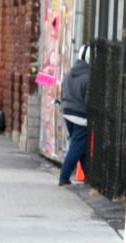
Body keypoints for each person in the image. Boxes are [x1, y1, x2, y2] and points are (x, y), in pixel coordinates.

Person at [59, 44, 90, 186]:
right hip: (81, 117)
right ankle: (64, 177)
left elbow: (62, 93)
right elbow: (89, 101)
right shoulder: (88, 77)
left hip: (68, 113)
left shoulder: (69, 73)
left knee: (81, 147)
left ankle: (90, 177)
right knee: (77, 148)